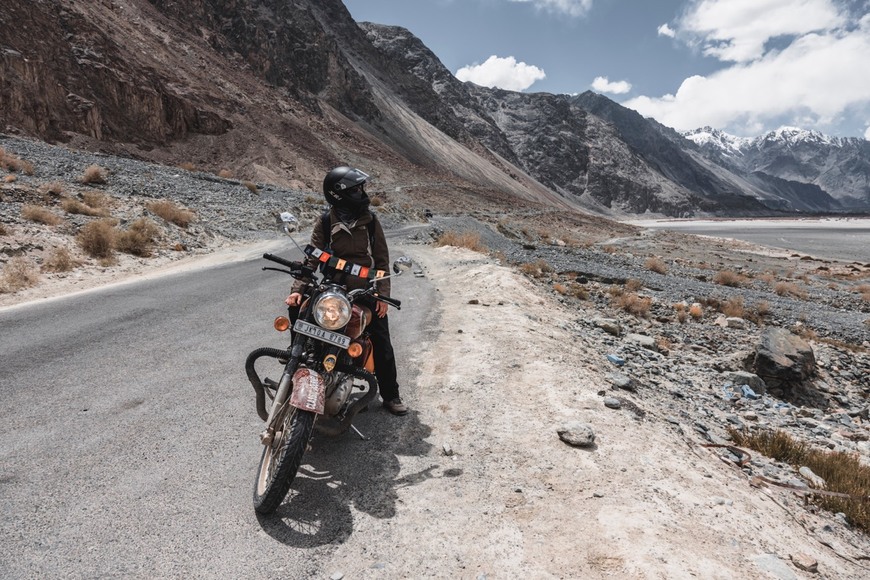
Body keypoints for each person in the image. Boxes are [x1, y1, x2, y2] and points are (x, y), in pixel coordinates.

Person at [285, 166, 408, 416]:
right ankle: (294, 362)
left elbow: (382, 261)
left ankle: (390, 394)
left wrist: (381, 294)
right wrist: (298, 289)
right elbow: (312, 258)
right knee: (298, 309)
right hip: (331, 288)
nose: (362, 193)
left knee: (382, 340)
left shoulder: (371, 222)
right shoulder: (326, 221)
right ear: (340, 194)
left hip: (364, 291)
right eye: (357, 189)